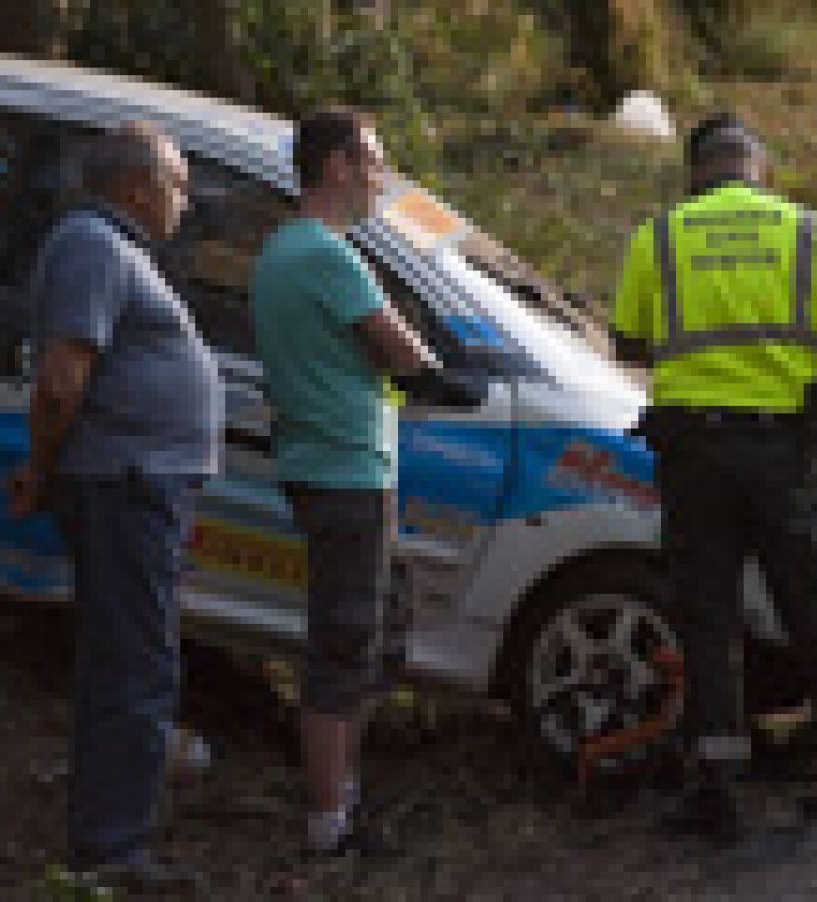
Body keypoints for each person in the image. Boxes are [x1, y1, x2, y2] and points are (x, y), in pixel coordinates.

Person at [612, 113, 817, 845]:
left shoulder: (660, 237)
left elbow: (628, 341)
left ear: (695, 172)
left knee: (707, 619)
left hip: (697, 455)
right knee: (813, 609)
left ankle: (717, 794)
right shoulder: (809, 232)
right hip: (783, 453)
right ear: (759, 169)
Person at [248, 107, 482, 855]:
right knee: (344, 644)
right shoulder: (325, 253)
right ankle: (328, 821)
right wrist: (437, 371)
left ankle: (341, 797)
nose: (381, 176)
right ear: (338, 165)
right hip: (344, 467)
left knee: (372, 628)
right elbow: (398, 344)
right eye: (374, 161)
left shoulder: (284, 248)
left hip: (325, 461)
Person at [8, 120, 219, 893]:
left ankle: (107, 844)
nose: (186, 204)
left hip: (137, 486)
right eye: (180, 186)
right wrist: (41, 466)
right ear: (137, 187)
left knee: (130, 662)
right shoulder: (94, 247)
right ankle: (110, 854)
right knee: (134, 668)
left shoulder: (112, 249)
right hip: (124, 484)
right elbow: (63, 379)